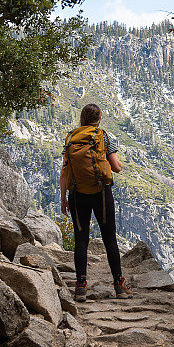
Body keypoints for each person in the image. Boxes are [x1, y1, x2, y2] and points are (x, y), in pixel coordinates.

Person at [60, 103, 131, 302]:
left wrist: (63, 198)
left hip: (76, 194)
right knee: (109, 238)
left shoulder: (70, 138)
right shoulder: (104, 137)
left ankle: (80, 286)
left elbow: (65, 170)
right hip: (101, 192)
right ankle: (119, 285)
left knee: (81, 239)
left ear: (82, 118)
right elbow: (116, 168)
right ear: (99, 119)